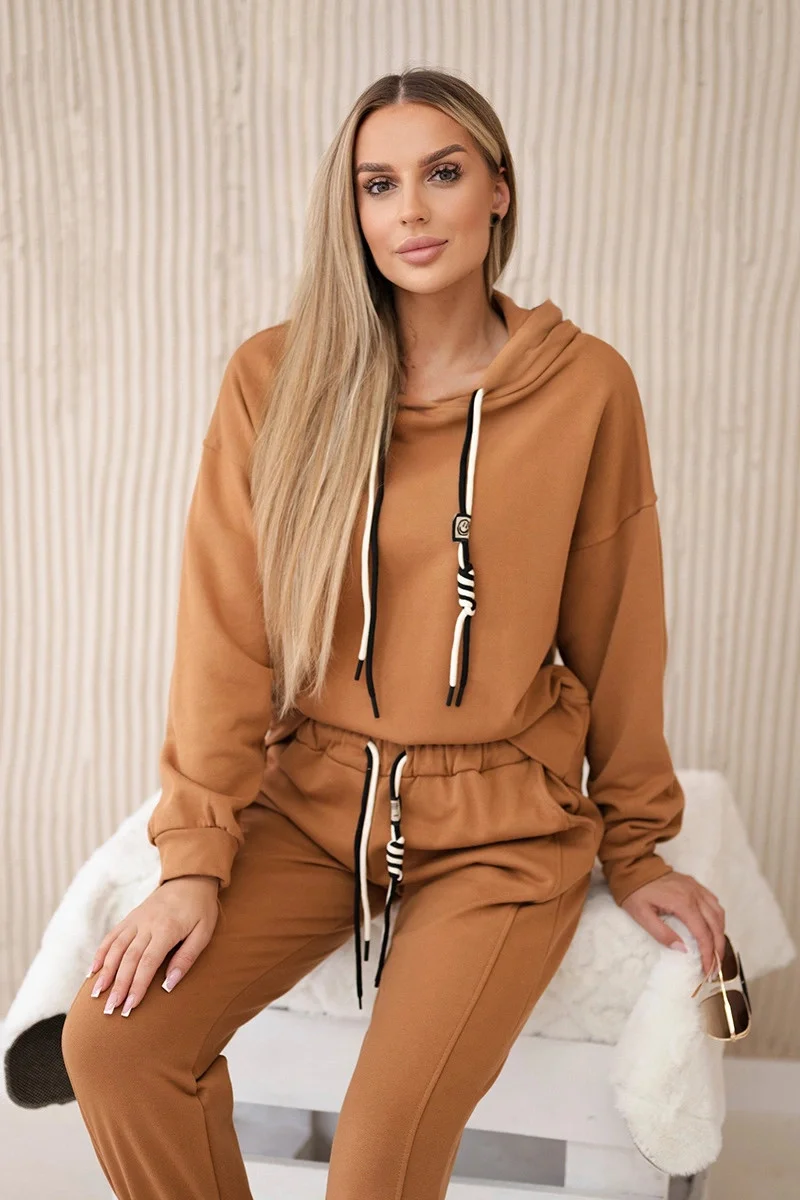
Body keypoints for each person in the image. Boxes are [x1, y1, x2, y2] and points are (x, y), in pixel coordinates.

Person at [61, 67, 726, 1200]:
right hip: (312, 801)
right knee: (117, 1048)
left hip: (502, 827)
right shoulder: (275, 380)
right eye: (378, 184)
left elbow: (619, 633)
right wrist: (194, 861)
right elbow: (224, 634)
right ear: (352, 208)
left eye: (442, 173)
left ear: (498, 190)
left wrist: (636, 846)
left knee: (375, 1162)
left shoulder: (585, 388)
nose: (410, 210)